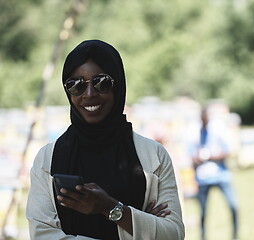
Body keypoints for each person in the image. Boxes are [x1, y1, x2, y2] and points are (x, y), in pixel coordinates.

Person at [26, 40, 185, 240]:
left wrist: (111, 207)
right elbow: (43, 235)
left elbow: (173, 234)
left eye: (102, 82)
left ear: (118, 85)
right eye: (76, 85)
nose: (90, 94)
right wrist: (140, 223)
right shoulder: (48, 159)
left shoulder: (153, 155)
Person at [189, 107, 239, 240]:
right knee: (203, 212)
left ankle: (235, 235)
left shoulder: (218, 130)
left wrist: (210, 156)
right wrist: (198, 158)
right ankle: (203, 236)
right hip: (203, 178)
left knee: (233, 206)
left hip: (221, 175)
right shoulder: (194, 132)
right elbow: (190, 155)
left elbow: (228, 151)